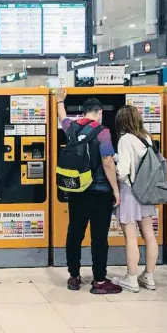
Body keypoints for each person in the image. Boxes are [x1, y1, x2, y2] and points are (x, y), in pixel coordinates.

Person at [56, 89, 122, 294]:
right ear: (100, 112)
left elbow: (62, 117)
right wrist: (116, 190)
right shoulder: (103, 131)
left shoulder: (72, 128)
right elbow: (108, 162)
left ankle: (74, 277)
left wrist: (59, 100)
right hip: (99, 191)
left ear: (84, 112)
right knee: (99, 237)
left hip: (76, 190)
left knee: (75, 232)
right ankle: (100, 282)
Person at [111, 105, 158, 292]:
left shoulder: (125, 139)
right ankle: (149, 277)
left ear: (121, 122)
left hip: (130, 193)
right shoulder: (146, 137)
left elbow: (122, 172)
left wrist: (113, 166)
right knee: (149, 235)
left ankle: (131, 278)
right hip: (146, 192)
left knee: (131, 237)